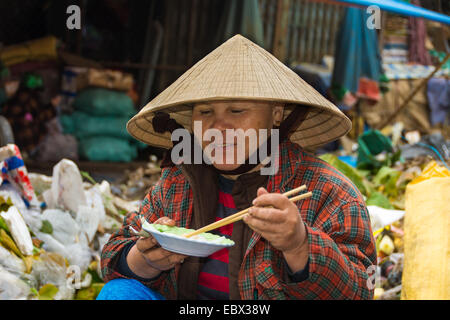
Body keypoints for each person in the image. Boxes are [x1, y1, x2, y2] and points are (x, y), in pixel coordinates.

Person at [98, 35, 376, 300]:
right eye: (205, 112)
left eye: (237, 110)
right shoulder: (178, 183)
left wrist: (299, 245)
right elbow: (112, 256)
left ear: (276, 113)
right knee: (117, 293)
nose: (218, 127)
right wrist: (144, 259)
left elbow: (361, 289)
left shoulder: (328, 191)